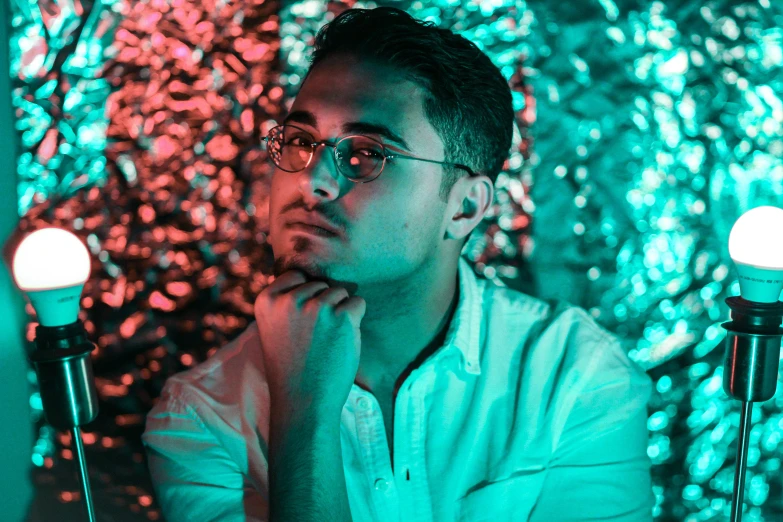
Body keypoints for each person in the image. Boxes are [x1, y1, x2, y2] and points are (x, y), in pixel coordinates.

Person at [143, 7, 654, 521]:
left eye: (367, 154)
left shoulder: (570, 375)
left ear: (465, 207)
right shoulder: (199, 416)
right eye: (300, 141)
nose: (310, 180)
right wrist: (304, 417)